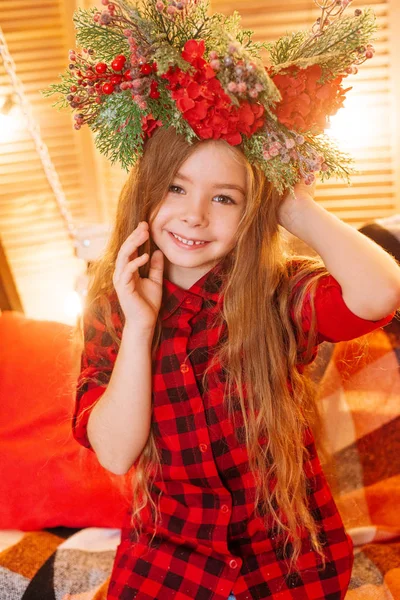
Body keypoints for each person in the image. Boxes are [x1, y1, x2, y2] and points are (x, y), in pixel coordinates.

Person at [53, 2, 400, 598]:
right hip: (172, 559)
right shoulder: (115, 308)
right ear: (145, 193)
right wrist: (139, 327)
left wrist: (296, 207)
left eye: (225, 199)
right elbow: (113, 452)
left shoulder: (277, 291)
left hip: (288, 558)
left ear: (251, 212)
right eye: (177, 188)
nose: (193, 213)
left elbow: (378, 295)